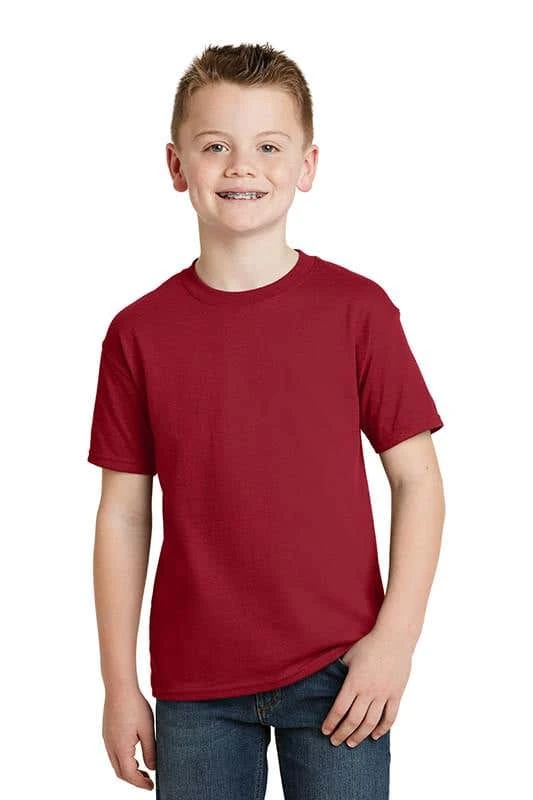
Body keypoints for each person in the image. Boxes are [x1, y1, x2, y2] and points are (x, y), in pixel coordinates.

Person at [87, 41, 445, 800]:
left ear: (307, 166)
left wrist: (395, 641)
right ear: (177, 165)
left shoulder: (358, 311)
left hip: (342, 671)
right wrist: (119, 685)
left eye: (269, 147)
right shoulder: (137, 333)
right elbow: (123, 514)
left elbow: (418, 481)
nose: (241, 166)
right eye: (215, 145)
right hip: (195, 685)